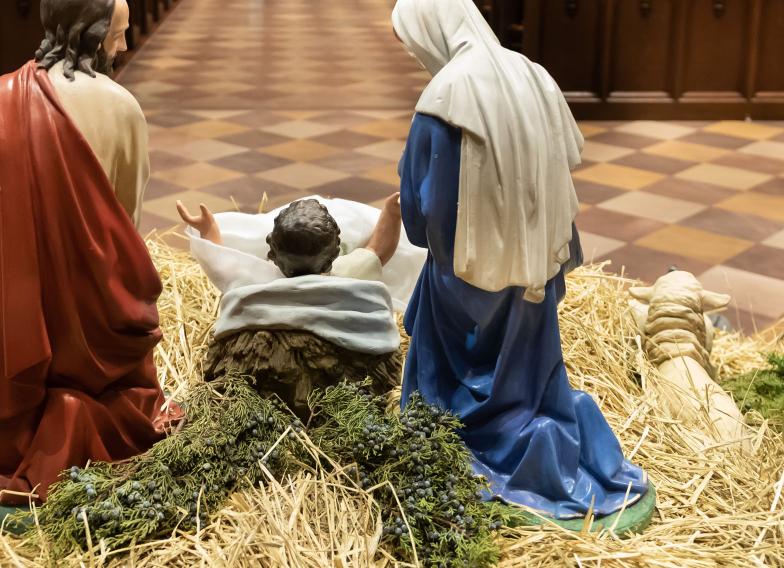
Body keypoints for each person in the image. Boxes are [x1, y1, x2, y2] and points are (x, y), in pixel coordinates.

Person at [392, 0, 649, 522]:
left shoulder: (444, 95)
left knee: (446, 366)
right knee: (527, 365)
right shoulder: (533, 74)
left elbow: (427, 207)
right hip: (537, 266)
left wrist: (439, 246)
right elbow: (562, 164)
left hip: (465, 275)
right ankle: (535, 423)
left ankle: (457, 440)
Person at [0, 0, 178, 510]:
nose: (124, 46)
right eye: (118, 35)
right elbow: (127, 222)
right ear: (91, 32)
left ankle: (38, 423)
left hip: (26, 307)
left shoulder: (0, 102)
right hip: (100, 308)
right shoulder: (123, 107)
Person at [177, 192, 403, 283]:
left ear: (271, 253)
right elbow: (378, 249)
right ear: (333, 255)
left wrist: (209, 230)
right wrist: (391, 212)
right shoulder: (348, 273)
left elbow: (221, 265)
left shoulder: (258, 279)